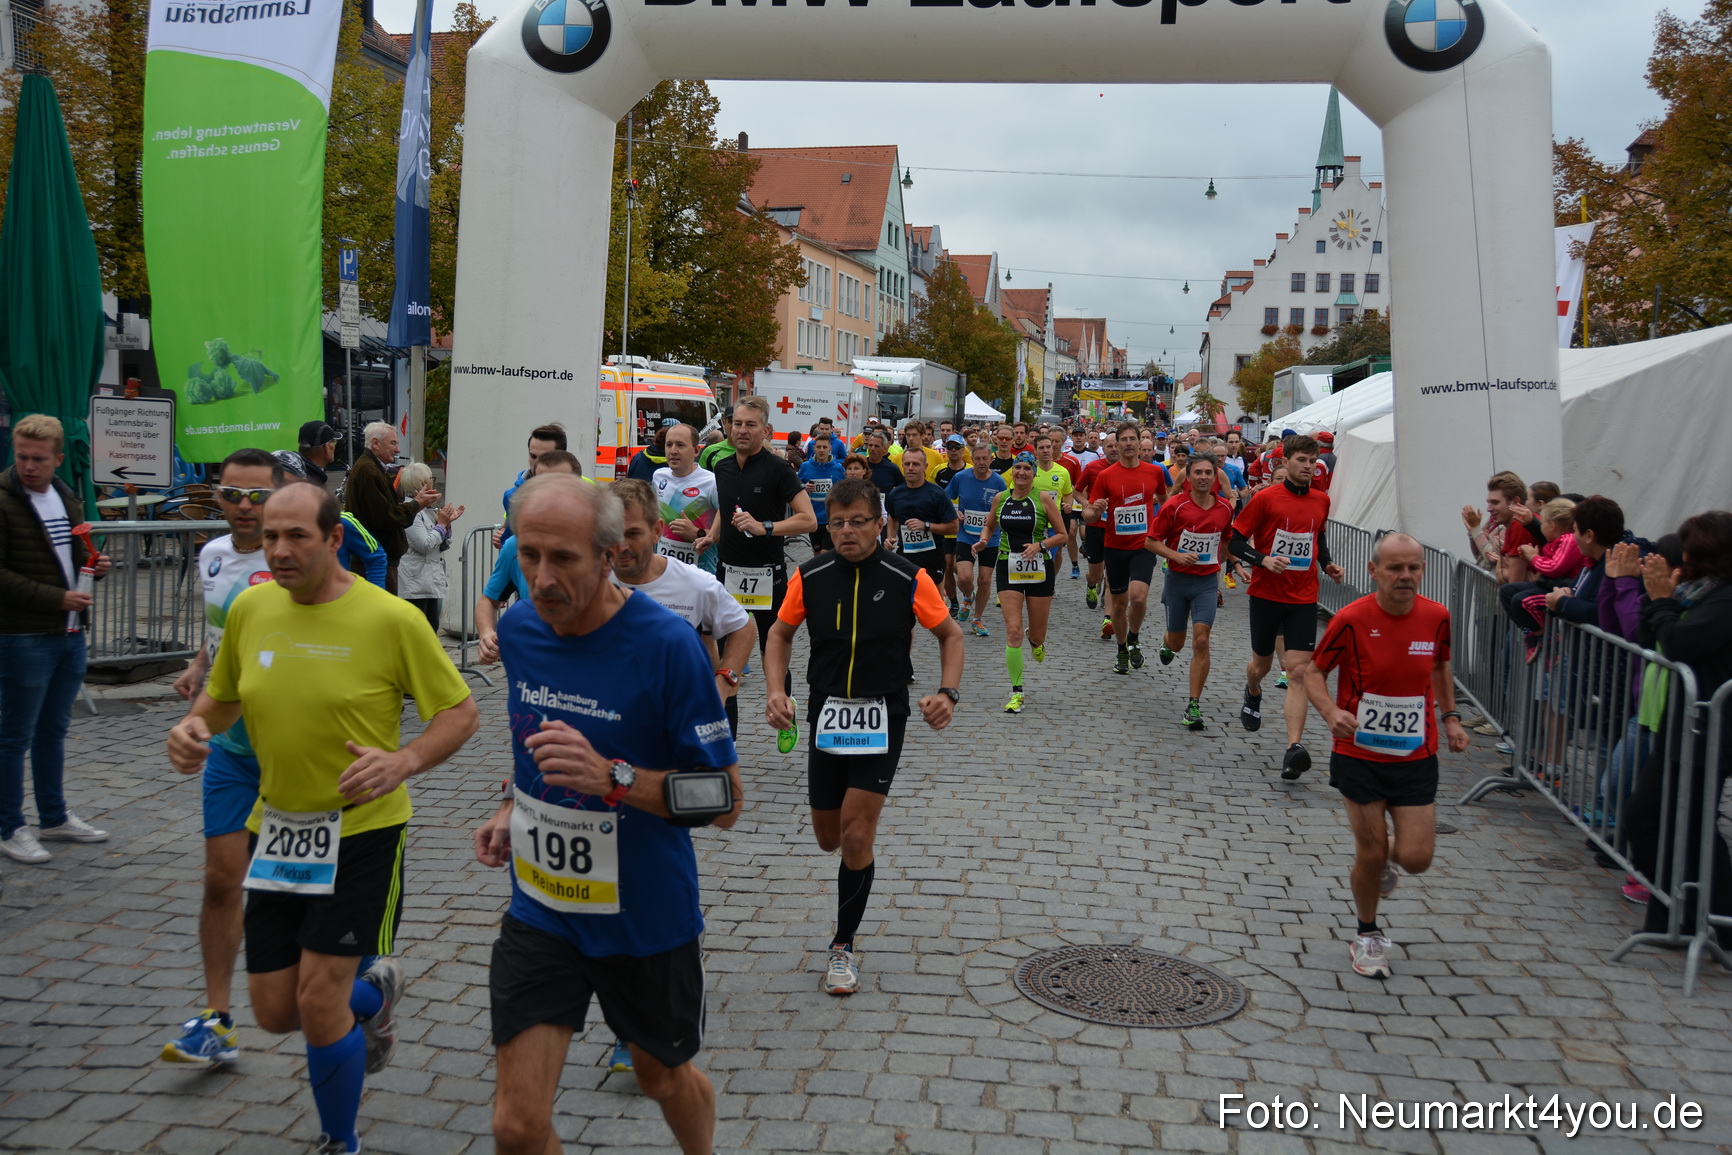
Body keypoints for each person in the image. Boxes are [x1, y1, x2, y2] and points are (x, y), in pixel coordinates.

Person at [167, 482, 479, 1155]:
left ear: (335, 539)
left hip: (363, 833)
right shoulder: (252, 609)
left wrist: (404, 760)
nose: (278, 550)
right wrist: (193, 727)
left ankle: (340, 1140)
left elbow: (459, 713)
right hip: (278, 829)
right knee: (275, 1010)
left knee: (316, 1003)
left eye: (296, 537)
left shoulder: (390, 619)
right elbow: (224, 698)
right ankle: (375, 993)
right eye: (270, 537)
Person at [471, 474, 743, 1155]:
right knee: (514, 1125)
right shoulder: (521, 629)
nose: (541, 578)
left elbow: (725, 800)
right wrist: (510, 803)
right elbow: (532, 742)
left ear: (608, 554)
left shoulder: (666, 646)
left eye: (562, 558)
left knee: (660, 1074)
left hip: (644, 916)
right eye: (529, 555)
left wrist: (615, 779)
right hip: (543, 907)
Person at [763, 477, 962, 995]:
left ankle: (842, 945)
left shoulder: (908, 577)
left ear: (879, 524)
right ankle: (852, 874)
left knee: (855, 835)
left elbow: (950, 635)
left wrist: (947, 692)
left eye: (858, 522)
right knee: (828, 837)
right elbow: (779, 634)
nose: (847, 531)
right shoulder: (811, 575)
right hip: (827, 713)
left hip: (883, 715)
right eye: (837, 523)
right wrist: (776, 690)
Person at [1300, 533, 1469, 979]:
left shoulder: (1436, 617)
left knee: (1416, 858)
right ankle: (1367, 933)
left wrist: (1451, 718)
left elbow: (1440, 666)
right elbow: (1314, 672)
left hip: (1416, 754)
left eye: (1414, 567)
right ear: (1374, 571)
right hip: (1359, 753)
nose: (1406, 576)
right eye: (1396, 568)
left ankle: (1381, 859)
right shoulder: (1352, 619)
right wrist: (1331, 711)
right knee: (1370, 852)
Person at [161, 449, 282, 1064]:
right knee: (220, 880)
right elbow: (222, 635)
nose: (244, 506)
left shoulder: (294, 559)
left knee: (303, 890)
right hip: (233, 751)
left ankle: (362, 981)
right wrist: (199, 665)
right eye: (232, 494)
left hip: (294, 753)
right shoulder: (210, 554)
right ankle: (217, 1018)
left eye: (258, 496)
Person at [0, 414, 113, 865]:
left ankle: (53, 817)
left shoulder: (65, 495)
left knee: (53, 730)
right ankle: (10, 826)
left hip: (69, 632)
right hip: (23, 634)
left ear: (58, 459)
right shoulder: (3, 499)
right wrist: (57, 598)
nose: (29, 466)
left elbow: (70, 555)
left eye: (39, 459)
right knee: (15, 735)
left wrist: (94, 567)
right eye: (22, 457)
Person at [696, 397, 818, 753]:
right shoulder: (721, 466)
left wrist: (765, 526)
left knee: (772, 651)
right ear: (729, 427)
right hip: (728, 573)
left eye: (751, 425)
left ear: (765, 430)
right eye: (737, 424)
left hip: (768, 575)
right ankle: (727, 735)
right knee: (725, 657)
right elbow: (728, 507)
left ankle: (785, 713)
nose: (742, 430)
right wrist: (713, 535)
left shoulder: (779, 469)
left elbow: (808, 520)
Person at [1229, 434, 1345, 780]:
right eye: (1301, 461)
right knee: (1261, 666)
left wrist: (1327, 564)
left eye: (1313, 461)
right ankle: (1252, 691)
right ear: (1285, 462)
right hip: (1267, 595)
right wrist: (1262, 560)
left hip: (1303, 598)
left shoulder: (1321, 500)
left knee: (1297, 671)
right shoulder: (1266, 499)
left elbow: (1317, 537)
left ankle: (1293, 748)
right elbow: (1235, 541)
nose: (1308, 467)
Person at [1148, 455, 1235, 730]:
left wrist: (1234, 564)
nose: (1203, 477)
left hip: (1207, 582)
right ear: (1188, 477)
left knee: (1201, 639)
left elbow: (1227, 540)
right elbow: (1151, 541)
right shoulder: (1175, 506)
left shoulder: (1224, 508)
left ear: (1215, 477)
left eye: (1208, 472)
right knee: (1178, 643)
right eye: (1198, 472)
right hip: (1177, 580)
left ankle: (1193, 705)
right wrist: (1177, 556)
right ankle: (1167, 643)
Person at [976, 454, 1067, 713]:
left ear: (1034, 473)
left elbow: (1062, 535)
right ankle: (1017, 692)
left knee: (1038, 634)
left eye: (1027, 468)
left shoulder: (1043, 498)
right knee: (1013, 630)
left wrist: (1041, 545)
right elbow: (989, 526)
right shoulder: (1001, 498)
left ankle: (1035, 641)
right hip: (1008, 566)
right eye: (1018, 467)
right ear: (1012, 471)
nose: (1022, 472)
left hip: (1039, 569)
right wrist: (984, 540)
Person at [477, 451, 583, 665]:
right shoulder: (515, 546)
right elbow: (489, 600)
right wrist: (487, 633)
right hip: (533, 665)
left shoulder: (600, 543)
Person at [1083, 423, 1167, 675]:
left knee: (1139, 598)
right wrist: (1095, 510)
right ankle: (1122, 649)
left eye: (1133, 439)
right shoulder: (1106, 476)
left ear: (1140, 443)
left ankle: (1134, 637)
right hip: (1115, 547)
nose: (1129, 443)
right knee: (1119, 606)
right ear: (1117, 444)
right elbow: (1089, 514)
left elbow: (1165, 501)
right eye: (1124, 439)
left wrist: (1163, 527)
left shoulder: (1154, 472)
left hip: (1143, 545)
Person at [344, 422, 440, 594]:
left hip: (377, 559)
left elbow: (385, 512)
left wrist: (417, 504)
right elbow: (386, 516)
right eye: (393, 443)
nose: (398, 450)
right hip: (375, 562)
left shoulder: (371, 469)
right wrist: (417, 504)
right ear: (375, 443)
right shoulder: (368, 470)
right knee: (380, 609)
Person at [397, 462, 464, 633]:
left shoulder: (427, 510)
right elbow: (425, 545)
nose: (433, 482)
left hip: (429, 581)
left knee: (432, 626)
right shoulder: (410, 511)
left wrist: (446, 524)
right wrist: (441, 524)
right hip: (414, 584)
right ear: (422, 484)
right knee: (418, 631)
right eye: (430, 478)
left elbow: (443, 545)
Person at [947, 449, 1008, 637]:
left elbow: (1005, 506)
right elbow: (944, 497)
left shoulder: (998, 482)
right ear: (971, 459)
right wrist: (954, 511)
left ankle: (977, 619)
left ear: (991, 460)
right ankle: (968, 596)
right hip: (966, 535)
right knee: (964, 578)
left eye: (985, 459)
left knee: (985, 580)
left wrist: (994, 519)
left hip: (990, 537)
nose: (981, 462)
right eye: (978, 459)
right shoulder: (961, 477)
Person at [885, 450, 958, 591]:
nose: (910, 468)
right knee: (905, 598)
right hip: (906, 554)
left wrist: (926, 526)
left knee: (934, 599)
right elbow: (893, 517)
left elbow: (953, 527)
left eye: (916, 464)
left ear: (925, 466)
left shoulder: (937, 494)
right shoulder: (895, 494)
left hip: (932, 555)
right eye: (907, 464)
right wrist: (890, 538)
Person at [651, 424, 719, 573]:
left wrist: (697, 532)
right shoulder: (659, 476)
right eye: (669, 445)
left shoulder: (711, 482)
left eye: (680, 445)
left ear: (696, 451)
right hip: (664, 570)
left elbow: (731, 533)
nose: (673, 451)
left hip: (700, 572)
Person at [798, 433, 846, 555]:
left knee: (825, 553)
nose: (821, 450)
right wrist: (804, 487)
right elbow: (796, 487)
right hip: (814, 518)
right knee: (817, 554)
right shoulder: (805, 467)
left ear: (830, 448)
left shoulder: (838, 468)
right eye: (818, 447)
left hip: (831, 518)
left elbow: (845, 490)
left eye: (824, 447)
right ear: (814, 448)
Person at [273, 420, 343, 488]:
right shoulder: (313, 484)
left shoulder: (295, 469)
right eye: (333, 442)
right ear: (326, 447)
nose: (334, 446)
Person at [862, 431, 903, 496]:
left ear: (884, 449)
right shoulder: (861, 466)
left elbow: (902, 488)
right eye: (870, 445)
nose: (872, 449)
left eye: (876, 446)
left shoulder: (892, 468)